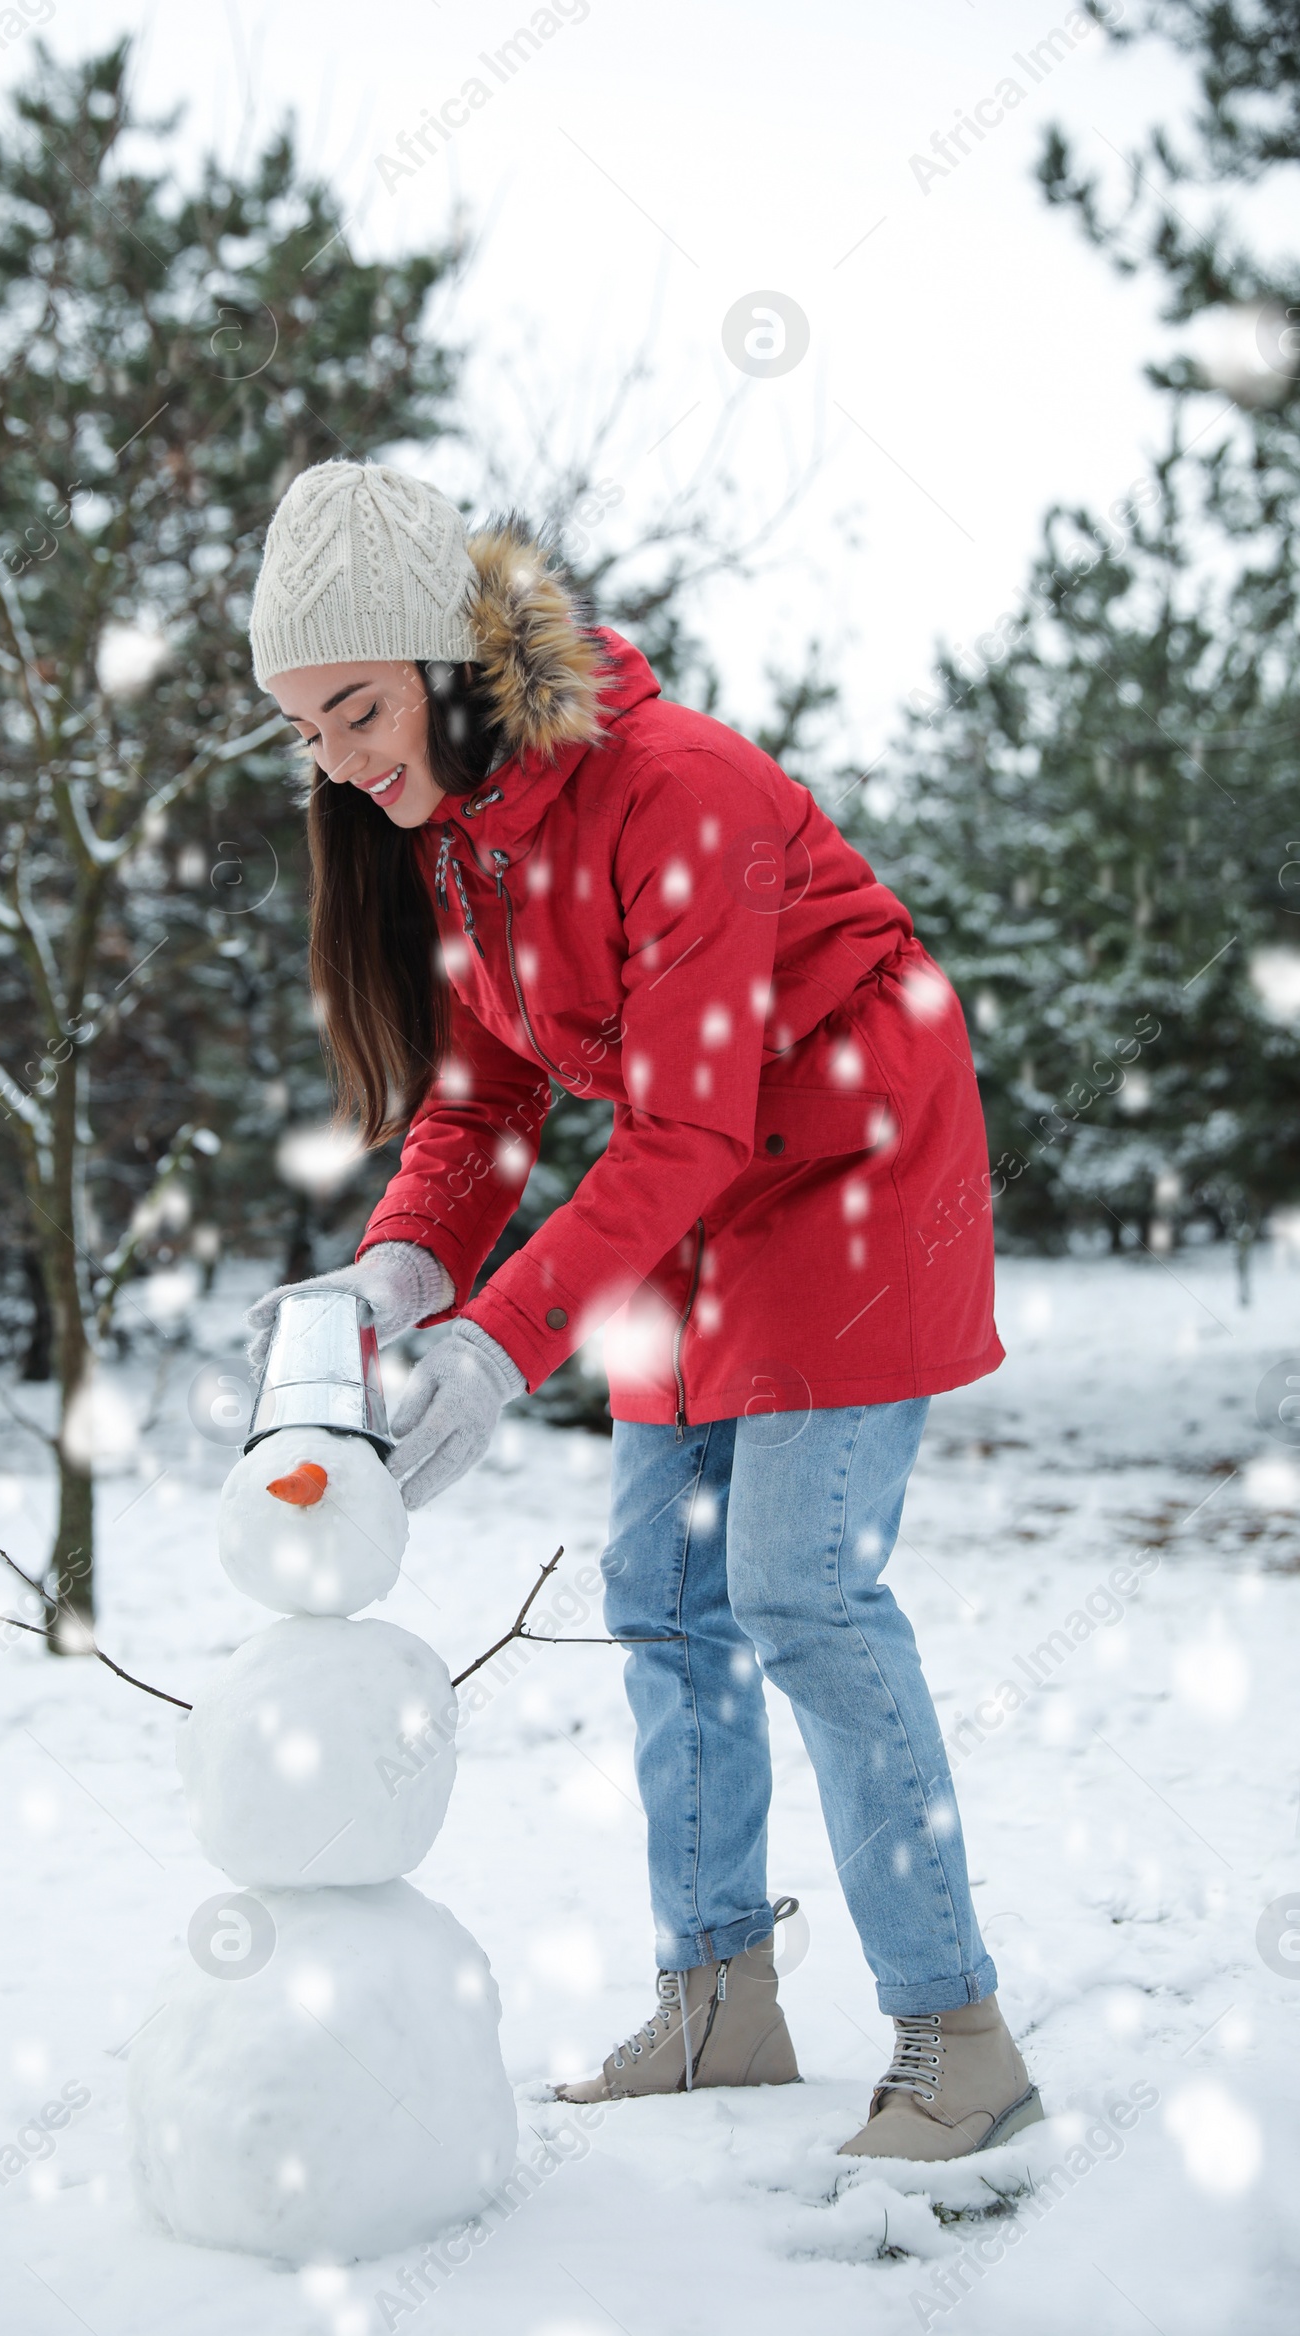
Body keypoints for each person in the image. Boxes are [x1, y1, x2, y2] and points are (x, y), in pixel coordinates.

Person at [243, 459, 1042, 2162]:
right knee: (660, 1592)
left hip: (851, 1154)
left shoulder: (678, 791)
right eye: (306, 732)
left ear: (452, 662)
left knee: (797, 1588)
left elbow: (676, 1125)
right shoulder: (457, 846)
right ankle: (719, 2005)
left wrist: (500, 1339)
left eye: (357, 709)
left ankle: (958, 2038)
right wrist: (403, 1269)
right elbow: (482, 1108)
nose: (336, 762)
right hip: (703, 1172)